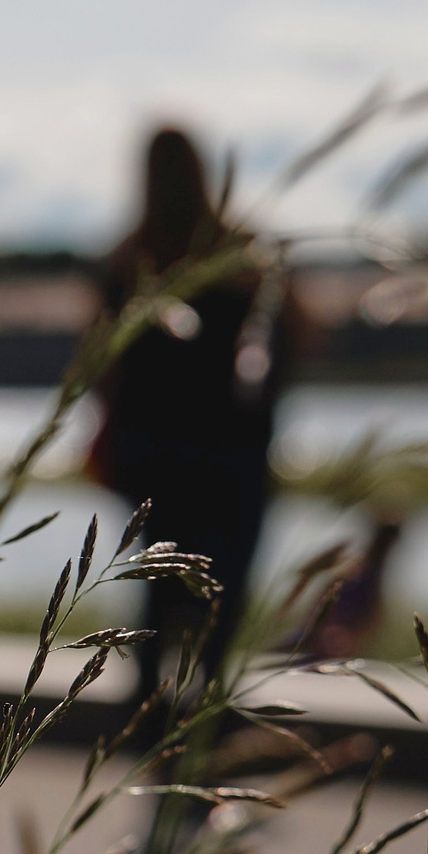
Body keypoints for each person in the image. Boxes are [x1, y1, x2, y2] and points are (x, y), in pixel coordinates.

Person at [90, 126, 291, 699]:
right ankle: (206, 729)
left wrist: (104, 439)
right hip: (235, 455)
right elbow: (302, 333)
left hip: (156, 457)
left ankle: (150, 723)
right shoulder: (243, 249)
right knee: (223, 598)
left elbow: (101, 364)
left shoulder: (130, 258)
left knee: (157, 588)